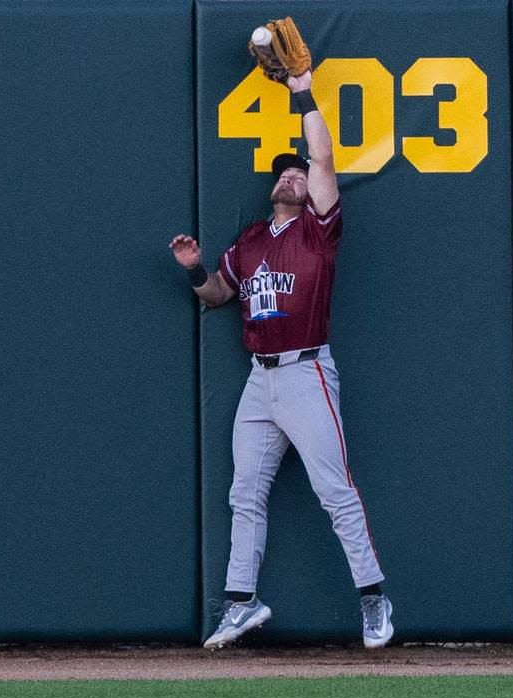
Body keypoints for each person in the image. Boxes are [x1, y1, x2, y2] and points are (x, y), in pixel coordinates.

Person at [169, 68, 394, 650]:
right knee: (245, 492)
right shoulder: (250, 241)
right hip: (258, 381)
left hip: (306, 370)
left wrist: (302, 90)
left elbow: (322, 158)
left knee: (333, 490)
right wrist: (195, 269)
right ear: (273, 187)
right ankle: (241, 603)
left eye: (299, 173)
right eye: (284, 173)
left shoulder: (319, 231)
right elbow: (219, 296)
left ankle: (374, 599)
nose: (293, 177)